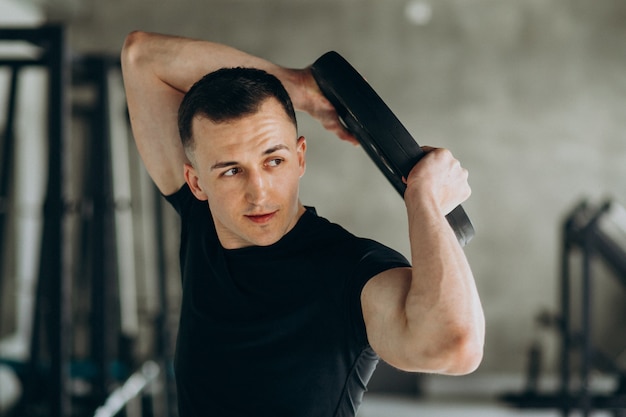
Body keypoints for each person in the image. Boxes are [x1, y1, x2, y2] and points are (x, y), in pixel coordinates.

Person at [121, 31, 484, 417]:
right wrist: (298, 87)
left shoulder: (353, 269)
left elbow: (455, 347)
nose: (258, 192)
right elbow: (142, 57)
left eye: (273, 161)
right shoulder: (204, 223)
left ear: (300, 158)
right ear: (197, 183)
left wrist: (424, 198)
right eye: (231, 171)